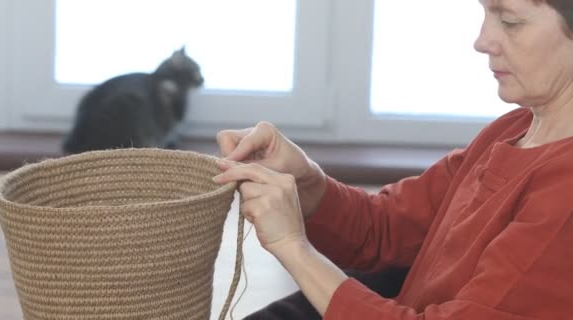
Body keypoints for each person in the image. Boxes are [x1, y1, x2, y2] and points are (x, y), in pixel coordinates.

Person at [212, 0, 573, 318]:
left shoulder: (563, 195)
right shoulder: (513, 129)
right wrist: (306, 180)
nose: (482, 41)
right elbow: (385, 231)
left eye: (510, 21)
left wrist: (293, 246)